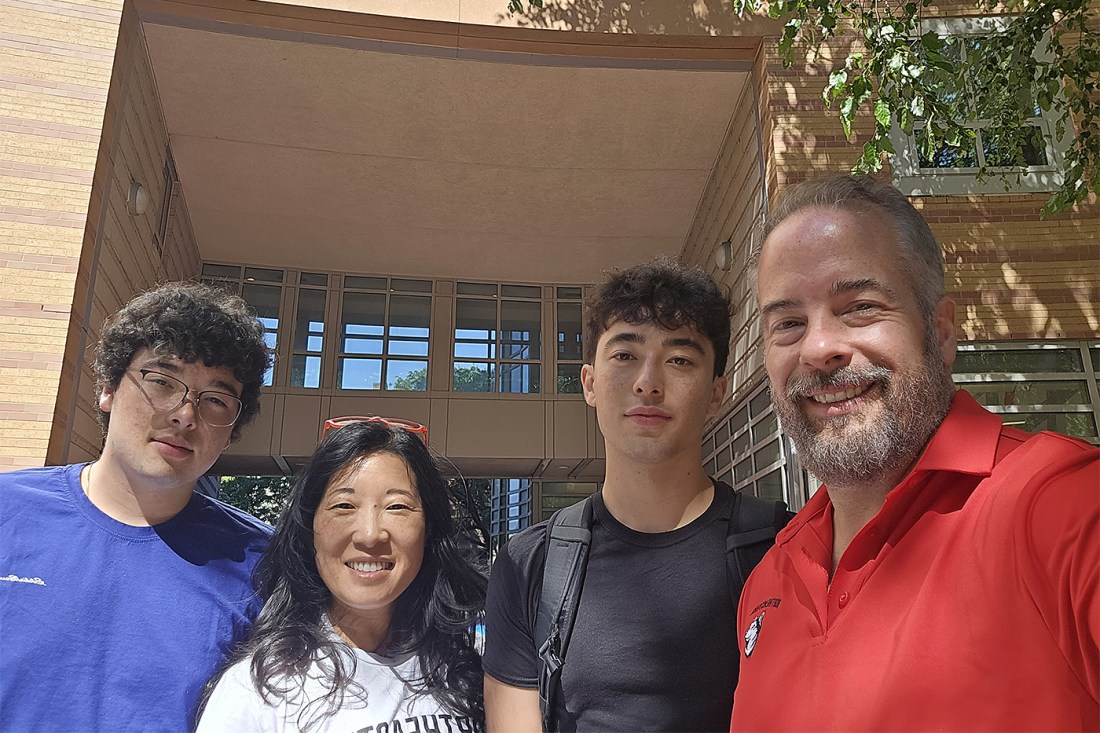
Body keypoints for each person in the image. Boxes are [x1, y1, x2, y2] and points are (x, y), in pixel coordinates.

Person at [730, 175, 1099, 731]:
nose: (818, 347)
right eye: (787, 323)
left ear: (942, 332)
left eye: (859, 307)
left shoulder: (1061, 506)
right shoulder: (768, 581)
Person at [484, 258, 783, 732]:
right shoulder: (530, 564)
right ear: (589, 383)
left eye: (680, 360)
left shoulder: (783, 549)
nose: (648, 382)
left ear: (717, 394)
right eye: (624, 356)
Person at [0, 281, 273, 731]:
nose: (185, 414)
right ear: (108, 388)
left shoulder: (262, 563)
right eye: (163, 382)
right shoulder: (9, 512)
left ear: (231, 430)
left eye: (216, 400)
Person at [196, 418, 488, 732]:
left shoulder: (474, 664)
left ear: (428, 530)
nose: (370, 534)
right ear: (310, 532)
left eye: (397, 506)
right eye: (344, 505)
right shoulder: (256, 691)